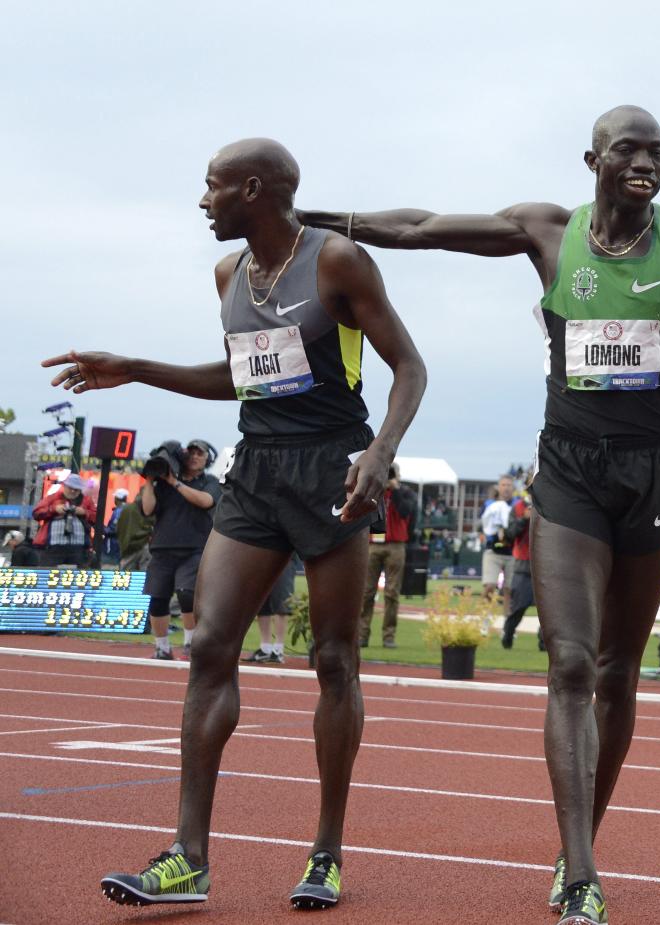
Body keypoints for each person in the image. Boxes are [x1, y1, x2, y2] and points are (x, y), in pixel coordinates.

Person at [300, 105, 660, 924]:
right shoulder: (548, 232)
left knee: (621, 673)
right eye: (630, 148)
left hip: (652, 473)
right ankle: (582, 870)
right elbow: (419, 228)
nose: (647, 162)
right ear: (591, 158)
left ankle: (577, 843)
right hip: (569, 472)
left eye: (659, 151)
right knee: (572, 665)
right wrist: (316, 221)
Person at [43, 137, 425, 911]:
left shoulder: (338, 261)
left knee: (333, 660)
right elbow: (243, 377)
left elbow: (409, 367)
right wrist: (139, 367)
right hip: (255, 472)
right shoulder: (229, 274)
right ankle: (189, 857)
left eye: (212, 186)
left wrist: (381, 452)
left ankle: (326, 850)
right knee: (211, 642)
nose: (202, 200)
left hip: (331, 472)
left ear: (253, 189)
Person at [140, 441, 221, 660]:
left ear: (207, 458)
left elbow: (206, 501)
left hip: (194, 548)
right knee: (157, 599)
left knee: (187, 595)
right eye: (191, 453)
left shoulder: (210, 482)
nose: (194, 457)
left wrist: (175, 483)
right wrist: (149, 480)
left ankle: (190, 644)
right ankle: (162, 647)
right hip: (162, 548)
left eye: (199, 453)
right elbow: (147, 509)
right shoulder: (162, 484)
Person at [358, 463, 416, 648]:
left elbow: (406, 511)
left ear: (398, 475)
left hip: (396, 545)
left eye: (392, 473)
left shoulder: (405, 493)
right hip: (374, 544)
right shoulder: (375, 491)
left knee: (392, 593)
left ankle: (388, 636)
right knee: (367, 592)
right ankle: (362, 635)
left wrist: (395, 488)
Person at [500, 487, 539, 649]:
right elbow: (509, 535)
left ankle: (544, 642)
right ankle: (508, 634)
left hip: (546, 564)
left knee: (549, 611)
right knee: (518, 607)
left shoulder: (553, 505)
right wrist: (523, 518)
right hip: (523, 564)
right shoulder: (518, 507)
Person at [32, 473, 97, 567]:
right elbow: (36, 513)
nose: (73, 491)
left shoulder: (86, 501)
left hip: (78, 547)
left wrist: (84, 512)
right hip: (53, 547)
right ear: (64, 486)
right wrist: (54, 509)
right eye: (70, 487)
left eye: (76, 489)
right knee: (49, 574)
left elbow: (97, 517)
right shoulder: (53, 498)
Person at [243, 556, 297, 664]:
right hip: (263, 556)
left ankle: (278, 650)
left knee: (282, 602)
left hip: (284, 557)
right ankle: (265, 649)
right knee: (261, 603)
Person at [480, 475, 516, 604]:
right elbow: (483, 523)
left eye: (509, 485)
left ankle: (507, 621)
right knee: (490, 585)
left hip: (512, 551)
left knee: (509, 589)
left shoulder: (517, 504)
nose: (506, 488)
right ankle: (483, 617)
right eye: (503, 485)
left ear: (513, 488)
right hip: (493, 550)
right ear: (498, 487)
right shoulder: (489, 504)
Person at [116, 488, 155, 572]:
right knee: (144, 577)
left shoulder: (127, 509)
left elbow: (119, 529)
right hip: (143, 546)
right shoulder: (148, 509)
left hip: (128, 549)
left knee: (126, 578)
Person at [103, 486, 129, 562]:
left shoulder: (119, 511)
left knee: (111, 564)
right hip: (122, 543)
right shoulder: (128, 509)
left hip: (114, 544)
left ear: (117, 499)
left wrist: (103, 529)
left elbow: (115, 528)